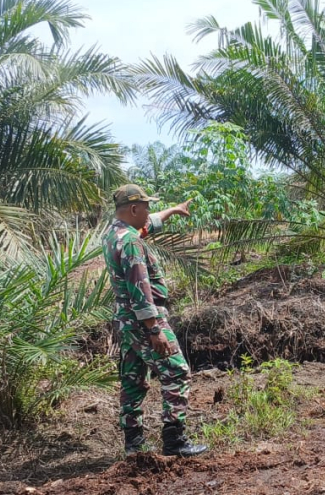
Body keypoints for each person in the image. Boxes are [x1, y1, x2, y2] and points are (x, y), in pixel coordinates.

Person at [102, 184, 208, 456]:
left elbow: (150, 223)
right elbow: (140, 288)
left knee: (133, 380)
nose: (149, 212)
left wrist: (173, 210)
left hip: (125, 322)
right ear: (134, 209)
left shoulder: (114, 234)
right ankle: (174, 440)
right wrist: (155, 329)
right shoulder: (131, 243)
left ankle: (133, 445)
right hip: (144, 321)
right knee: (176, 371)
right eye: (146, 207)